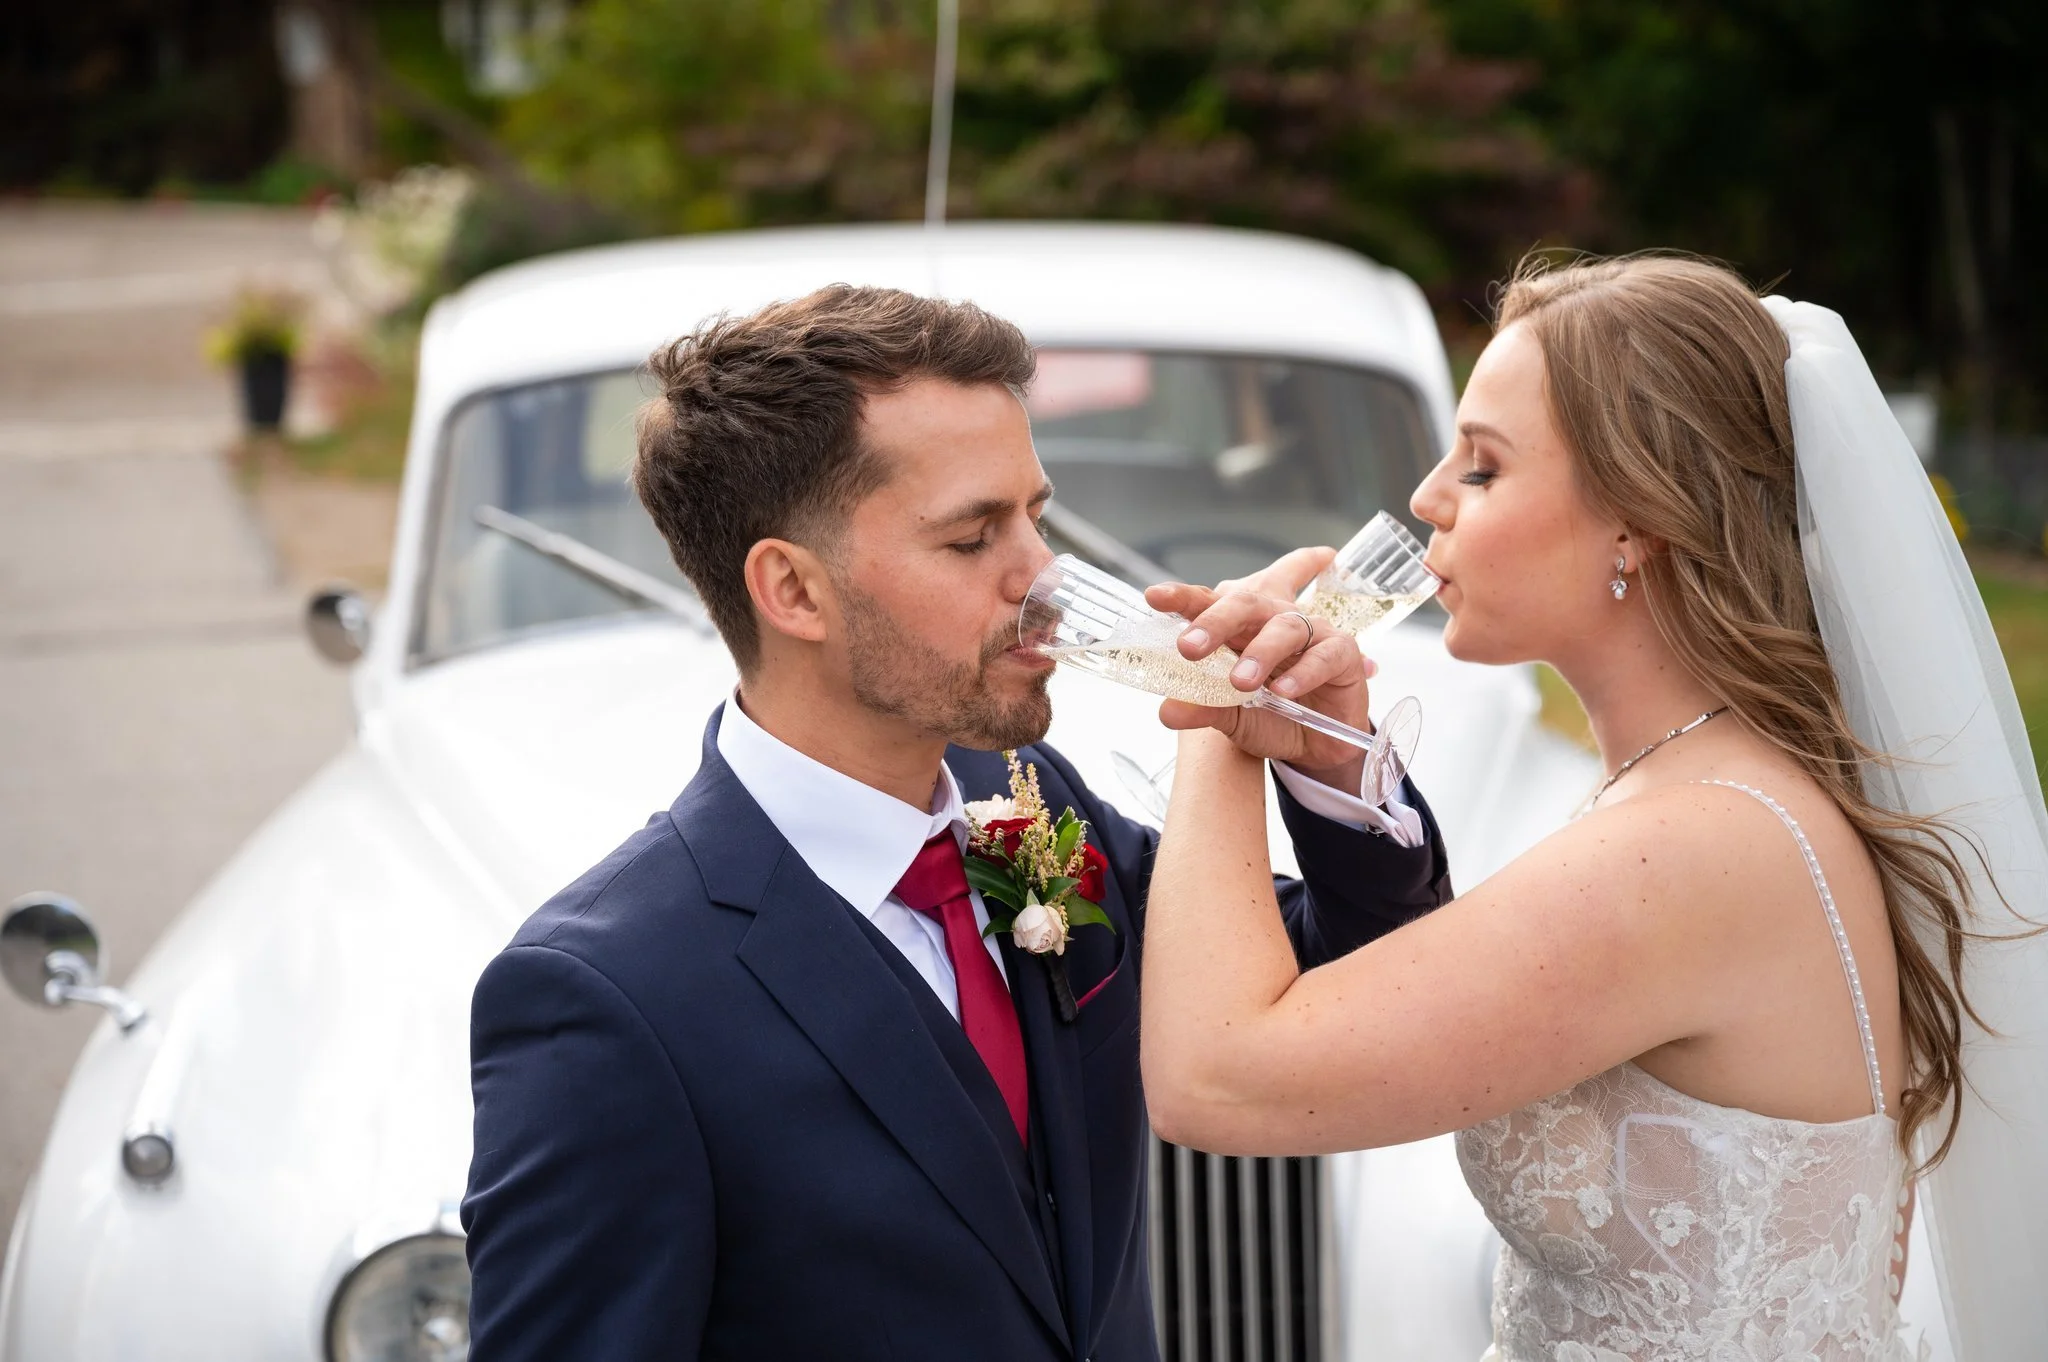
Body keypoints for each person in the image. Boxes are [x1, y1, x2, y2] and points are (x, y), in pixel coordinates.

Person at [460, 284, 1454, 1362]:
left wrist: (1328, 763)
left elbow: (1339, 995)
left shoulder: (1027, 809)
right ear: (791, 591)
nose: (1047, 582)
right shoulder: (605, 998)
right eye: (974, 537)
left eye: (1037, 514)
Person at [1137, 254, 2048, 1360]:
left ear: (1636, 521)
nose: (1425, 498)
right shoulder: (1713, 796)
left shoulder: (1697, 844)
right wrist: (1320, 751)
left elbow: (1214, 1077)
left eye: (1480, 469)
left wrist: (1213, 702)